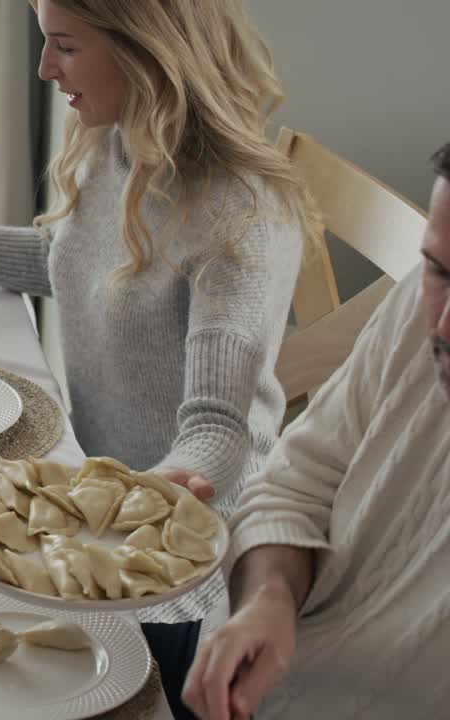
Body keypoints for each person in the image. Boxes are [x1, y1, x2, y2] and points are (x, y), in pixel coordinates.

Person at [0, 0, 320, 714]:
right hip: (102, 500)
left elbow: (219, 428)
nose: (44, 68)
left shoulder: (240, 216)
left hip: (181, 561)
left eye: (63, 46)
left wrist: (124, 513)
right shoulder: (119, 142)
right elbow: (82, 266)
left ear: (148, 52)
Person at [179, 145, 450, 719]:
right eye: (439, 270)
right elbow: (292, 483)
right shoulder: (413, 310)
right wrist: (269, 598)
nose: (443, 327)